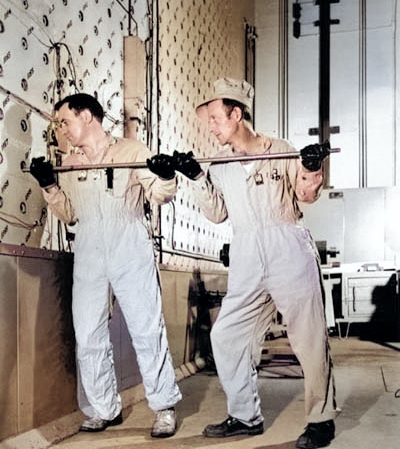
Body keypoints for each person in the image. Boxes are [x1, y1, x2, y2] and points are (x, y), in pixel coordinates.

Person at [171, 78, 338, 449]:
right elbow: (216, 213)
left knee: (308, 337)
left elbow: (306, 196)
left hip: (287, 247)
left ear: (236, 113)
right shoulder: (220, 164)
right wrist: (196, 177)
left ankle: (320, 419)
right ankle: (245, 416)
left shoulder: (281, 150)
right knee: (226, 335)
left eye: (215, 117)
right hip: (246, 252)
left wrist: (310, 168)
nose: (211, 126)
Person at [29, 93, 181, 438]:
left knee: (146, 330)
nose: (62, 130)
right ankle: (103, 408)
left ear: (88, 117)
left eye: (65, 121)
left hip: (129, 245)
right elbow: (69, 214)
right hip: (89, 251)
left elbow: (160, 195)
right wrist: (49, 185)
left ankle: (163, 407)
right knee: (88, 334)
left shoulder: (132, 152)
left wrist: (165, 174)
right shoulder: (68, 162)